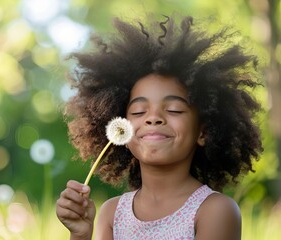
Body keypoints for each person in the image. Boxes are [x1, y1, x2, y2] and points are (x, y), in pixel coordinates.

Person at [56, 14, 263, 240]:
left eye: (174, 109)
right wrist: (80, 235)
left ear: (203, 131)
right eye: (138, 112)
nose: (153, 118)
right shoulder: (111, 213)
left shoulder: (215, 210)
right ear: (121, 130)